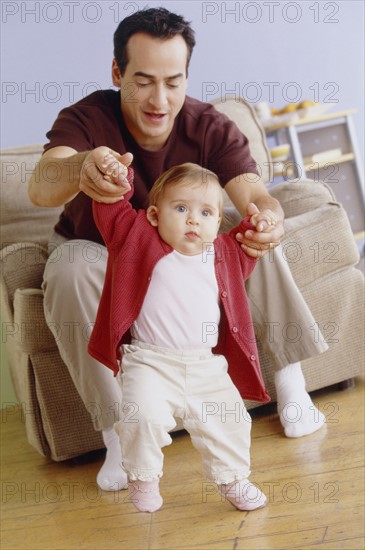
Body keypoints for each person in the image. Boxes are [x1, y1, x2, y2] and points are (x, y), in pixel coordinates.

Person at [28, 7, 328, 492]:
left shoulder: (209, 126)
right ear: (116, 73)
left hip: (186, 259)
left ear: (187, 75)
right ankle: (118, 435)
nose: (159, 99)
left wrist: (268, 216)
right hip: (101, 254)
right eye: (143, 81)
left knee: (248, 227)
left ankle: (292, 386)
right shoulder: (86, 117)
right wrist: (81, 166)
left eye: (173, 81)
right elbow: (42, 186)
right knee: (69, 266)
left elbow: (253, 193)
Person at [88, 162, 271, 512]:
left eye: (205, 212)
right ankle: (142, 477)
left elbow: (251, 245)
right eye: (181, 208)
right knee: (141, 416)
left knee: (230, 420)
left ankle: (233, 479)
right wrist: (117, 179)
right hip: (150, 361)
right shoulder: (137, 239)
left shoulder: (224, 253)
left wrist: (257, 225)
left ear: (218, 223)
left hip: (206, 365)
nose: (193, 220)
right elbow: (113, 212)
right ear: (155, 215)